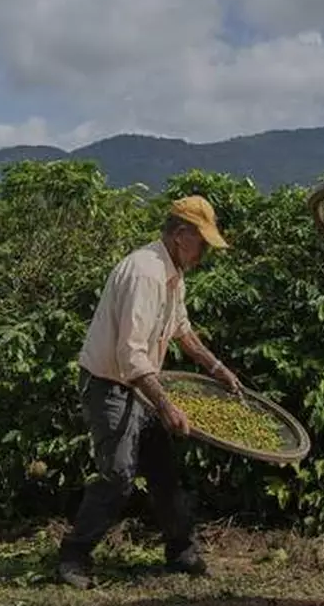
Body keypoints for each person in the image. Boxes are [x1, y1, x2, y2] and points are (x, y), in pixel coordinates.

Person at [57, 195, 243, 589]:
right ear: (180, 235)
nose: (205, 253)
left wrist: (217, 368)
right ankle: (73, 556)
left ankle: (181, 551)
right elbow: (130, 355)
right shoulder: (146, 274)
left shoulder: (173, 273)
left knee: (164, 473)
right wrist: (167, 406)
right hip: (110, 385)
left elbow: (182, 329)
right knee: (118, 476)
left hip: (142, 384)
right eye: (202, 243)